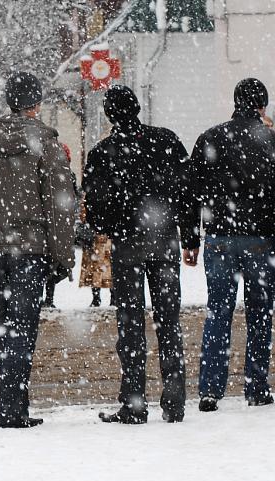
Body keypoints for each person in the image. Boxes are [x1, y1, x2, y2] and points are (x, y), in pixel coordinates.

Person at [0, 71, 77, 429]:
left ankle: (11, 404)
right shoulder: (46, 142)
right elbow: (60, 204)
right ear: (35, 103)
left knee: (2, 325)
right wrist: (62, 254)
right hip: (30, 248)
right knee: (24, 327)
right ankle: (13, 405)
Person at [83, 85, 191, 424]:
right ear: (138, 108)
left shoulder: (103, 153)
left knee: (130, 324)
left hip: (127, 245)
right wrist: (188, 235)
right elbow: (186, 192)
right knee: (169, 320)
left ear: (110, 115)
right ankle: (174, 398)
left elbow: (96, 210)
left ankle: (134, 401)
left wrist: (112, 224)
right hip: (164, 241)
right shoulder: (167, 141)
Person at [183, 78, 275, 411]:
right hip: (262, 239)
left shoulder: (210, 138)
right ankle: (256, 385)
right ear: (262, 106)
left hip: (220, 237)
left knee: (218, 312)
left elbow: (191, 192)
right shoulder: (270, 141)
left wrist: (190, 238)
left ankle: (209, 389)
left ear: (235, 102)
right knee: (260, 314)